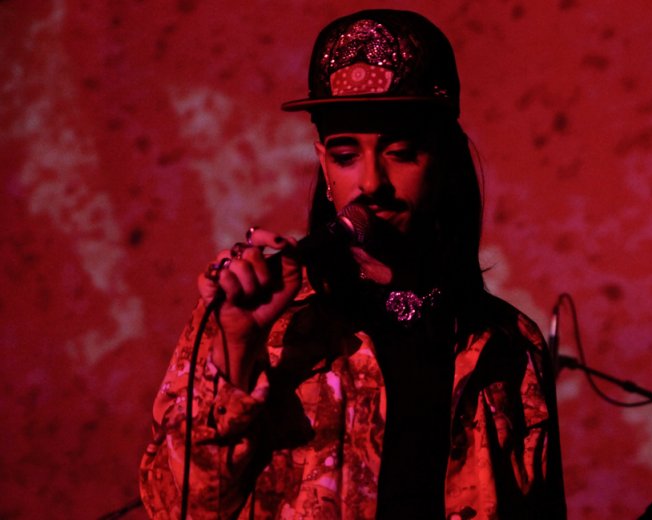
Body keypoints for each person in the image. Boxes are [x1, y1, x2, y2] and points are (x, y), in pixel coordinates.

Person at [139, 9, 565, 520]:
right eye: (346, 156)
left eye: (401, 153)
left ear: (445, 162)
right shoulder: (267, 325)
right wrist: (235, 349)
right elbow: (177, 509)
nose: (371, 183)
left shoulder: (508, 345)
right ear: (323, 164)